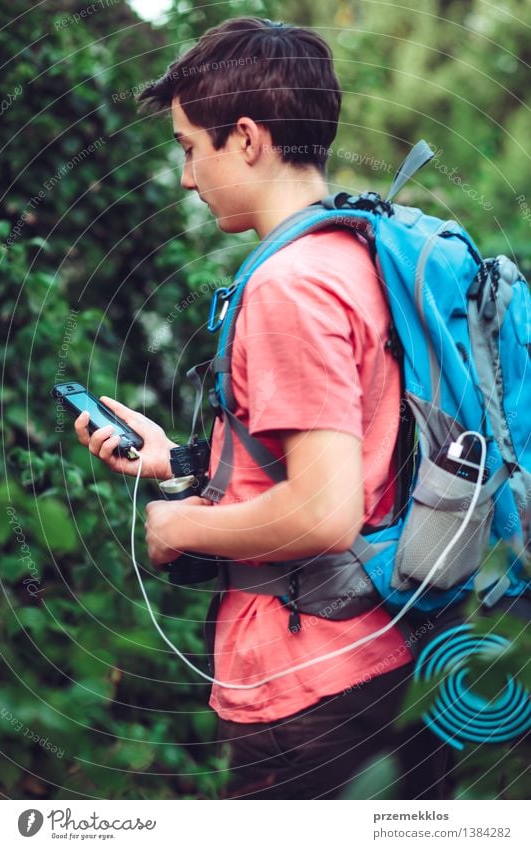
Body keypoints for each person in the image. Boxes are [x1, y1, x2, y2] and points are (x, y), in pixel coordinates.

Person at [75, 17, 450, 799]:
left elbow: (323, 511)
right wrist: (177, 463)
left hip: (310, 685)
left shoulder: (290, 286)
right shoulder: (356, 253)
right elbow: (349, 445)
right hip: (385, 660)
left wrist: (181, 522)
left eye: (188, 146)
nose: (184, 175)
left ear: (246, 138)